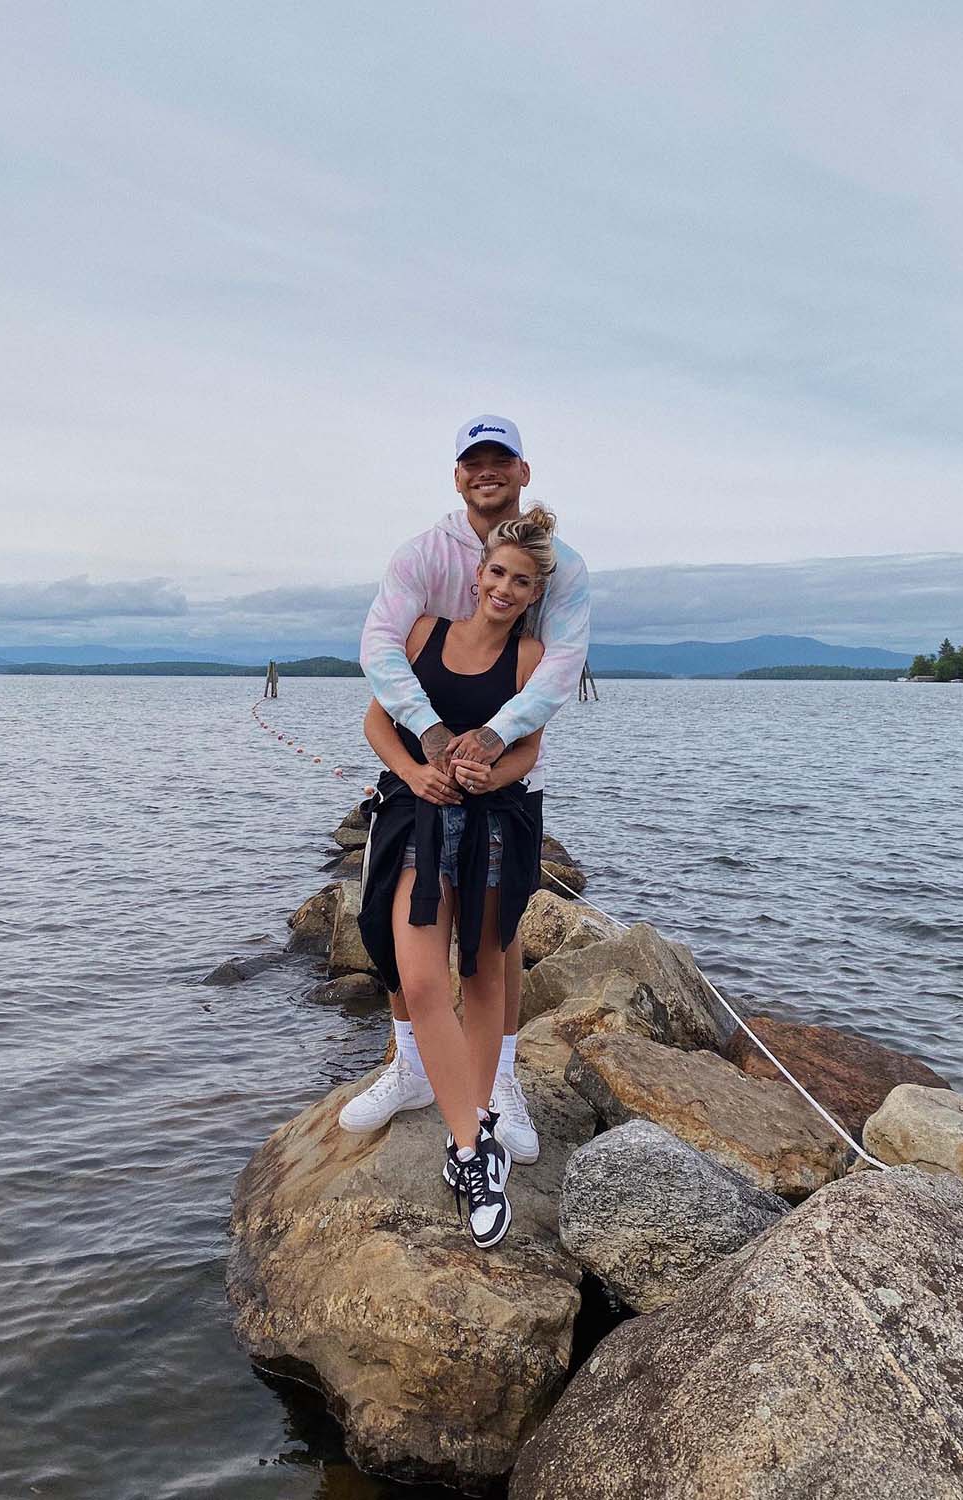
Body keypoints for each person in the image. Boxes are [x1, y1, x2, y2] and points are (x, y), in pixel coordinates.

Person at [340, 414, 590, 1162]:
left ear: (523, 471)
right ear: (456, 475)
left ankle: (498, 1083)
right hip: (418, 785)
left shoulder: (562, 569)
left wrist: (492, 740)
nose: (487, 471)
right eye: (473, 460)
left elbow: (560, 669)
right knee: (397, 934)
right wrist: (427, 738)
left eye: (501, 459)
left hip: (503, 791)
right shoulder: (422, 556)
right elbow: (380, 647)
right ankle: (411, 1067)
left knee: (495, 941)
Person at [354, 508, 558, 1247]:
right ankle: (472, 1141)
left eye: (522, 581)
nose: (505, 588)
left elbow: (527, 750)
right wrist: (415, 774)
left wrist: (486, 775)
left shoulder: (531, 658)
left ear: (534, 594)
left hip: (492, 825)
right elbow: (378, 723)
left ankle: (472, 1144)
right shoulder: (421, 636)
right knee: (420, 980)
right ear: (477, 575)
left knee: (482, 971)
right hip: (418, 818)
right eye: (497, 572)